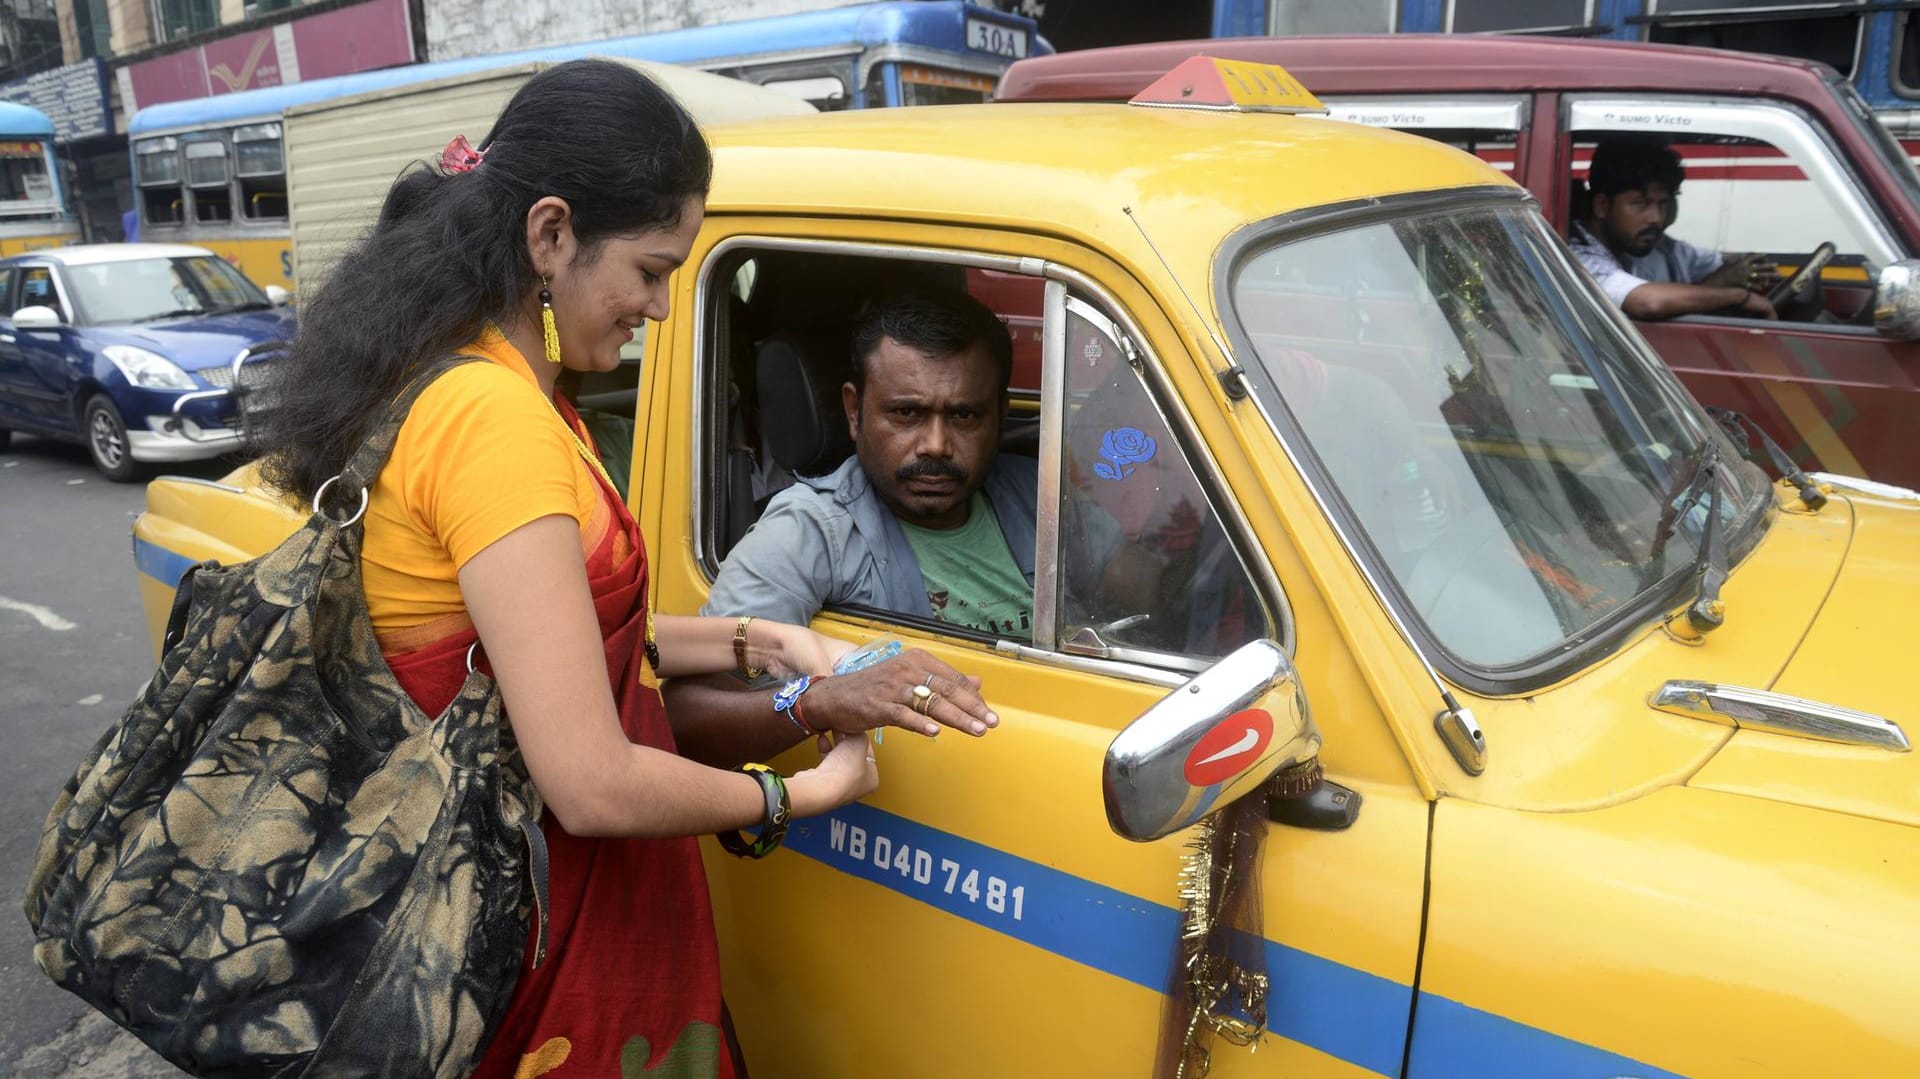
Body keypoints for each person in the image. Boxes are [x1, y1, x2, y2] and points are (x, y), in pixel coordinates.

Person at [254, 61, 993, 1079]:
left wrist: (757, 638)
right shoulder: (494, 421)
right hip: (530, 922)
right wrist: (798, 796)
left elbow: (538, 641)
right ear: (552, 234)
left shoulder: (488, 377)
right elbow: (592, 782)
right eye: (649, 269)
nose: (656, 305)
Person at [705, 288, 1038, 633]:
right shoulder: (811, 534)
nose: (936, 446)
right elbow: (696, 683)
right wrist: (836, 689)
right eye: (907, 413)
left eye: (964, 415)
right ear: (854, 411)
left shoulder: (1038, 497)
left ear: (1000, 415)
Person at [1570, 134, 1778, 321]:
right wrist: (1738, 296)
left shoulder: (1644, 243)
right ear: (1602, 206)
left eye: (1663, 204)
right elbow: (1649, 303)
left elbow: (1710, 260)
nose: (1657, 218)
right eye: (1640, 203)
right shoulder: (1576, 255)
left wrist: (1745, 266)